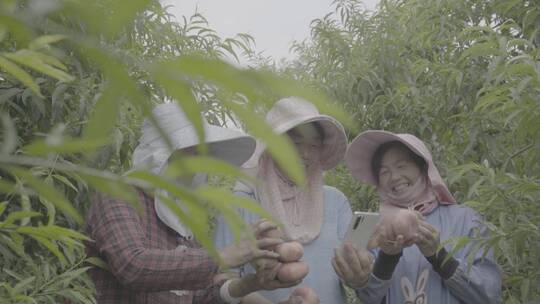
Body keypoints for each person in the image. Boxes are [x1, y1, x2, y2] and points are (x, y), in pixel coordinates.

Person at [85, 102, 290, 304]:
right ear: (161, 154)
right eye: (191, 150)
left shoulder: (181, 218)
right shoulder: (118, 195)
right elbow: (133, 266)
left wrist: (251, 284)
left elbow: (195, 294)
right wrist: (224, 256)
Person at [335, 130, 502, 304]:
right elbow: (366, 296)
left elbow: (489, 295)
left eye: (402, 166)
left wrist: (439, 256)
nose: (394, 177)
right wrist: (387, 257)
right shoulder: (369, 228)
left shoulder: (467, 219)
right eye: (384, 172)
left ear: (423, 167)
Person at [213, 97, 353, 303]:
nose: (305, 154)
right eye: (295, 143)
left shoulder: (335, 202)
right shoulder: (240, 204)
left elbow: (355, 272)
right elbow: (221, 279)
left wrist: (360, 272)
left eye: (314, 145)